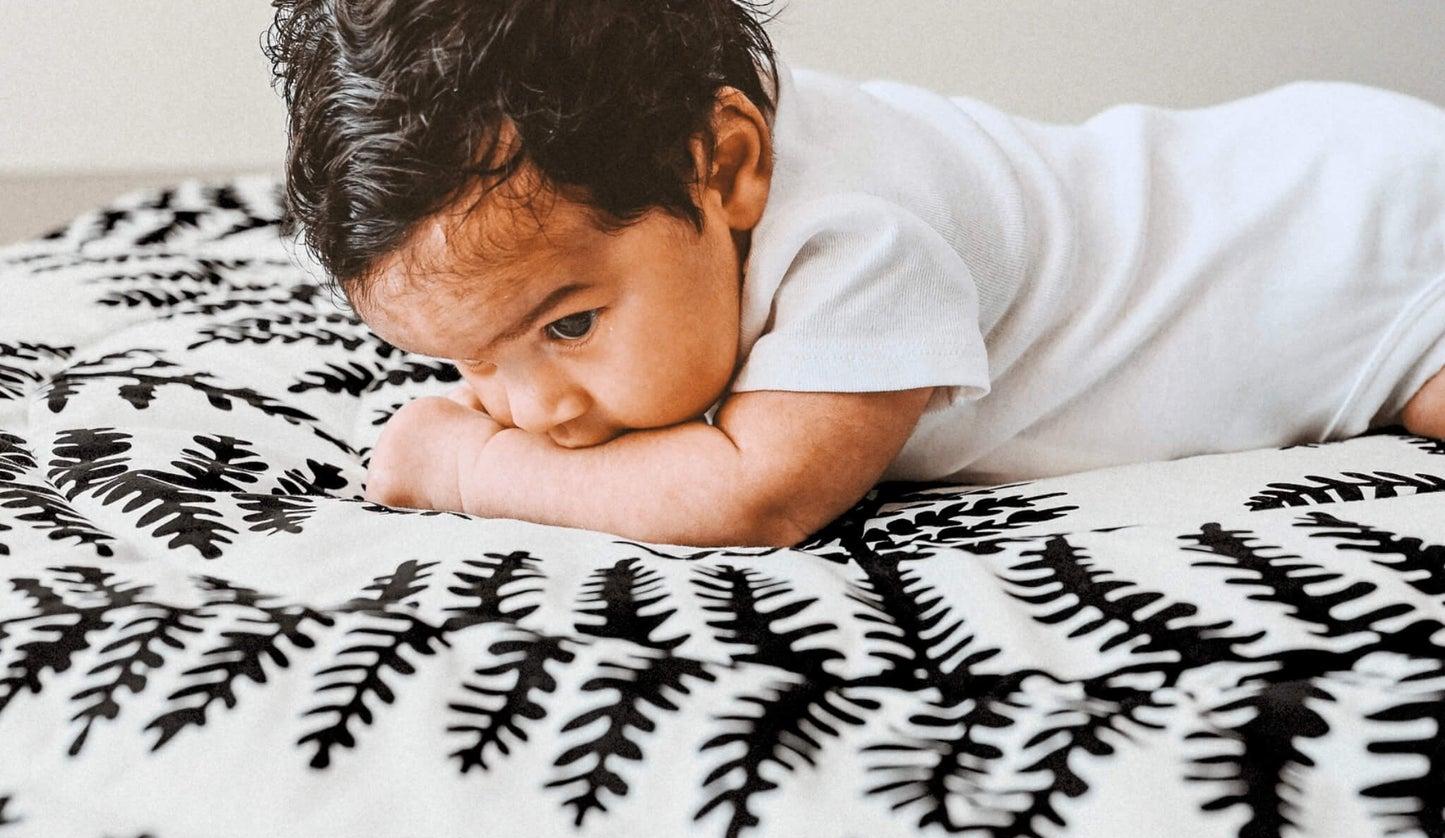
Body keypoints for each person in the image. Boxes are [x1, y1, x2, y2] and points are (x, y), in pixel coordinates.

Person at [265, 0, 1445, 547]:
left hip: (1352, 243)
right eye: (470, 368)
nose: (533, 411)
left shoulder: (865, 232)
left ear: (724, 163)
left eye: (566, 328)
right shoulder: (675, 188)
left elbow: (758, 491)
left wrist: (474, 467)